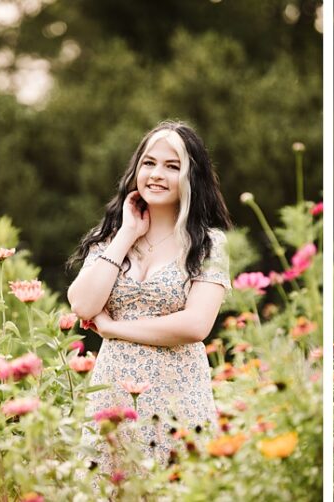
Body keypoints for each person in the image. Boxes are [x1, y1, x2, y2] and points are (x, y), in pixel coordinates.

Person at [67, 121, 232, 473]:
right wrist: (127, 233)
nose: (157, 174)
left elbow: (195, 324)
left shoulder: (209, 244)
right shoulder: (109, 238)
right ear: (136, 169)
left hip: (179, 396)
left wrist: (114, 329)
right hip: (113, 395)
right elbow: (82, 304)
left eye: (172, 166)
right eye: (149, 163)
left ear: (191, 176)